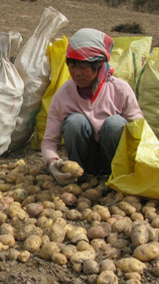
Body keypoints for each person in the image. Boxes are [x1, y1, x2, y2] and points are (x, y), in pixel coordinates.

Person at [41, 28, 143, 184]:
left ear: (99, 63)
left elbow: (139, 130)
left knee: (115, 124)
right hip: (84, 164)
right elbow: (49, 141)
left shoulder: (119, 89)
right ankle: (79, 180)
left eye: (83, 66)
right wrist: (53, 163)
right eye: (72, 65)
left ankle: (115, 178)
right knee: (74, 122)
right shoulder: (63, 96)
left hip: (116, 160)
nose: (76, 73)